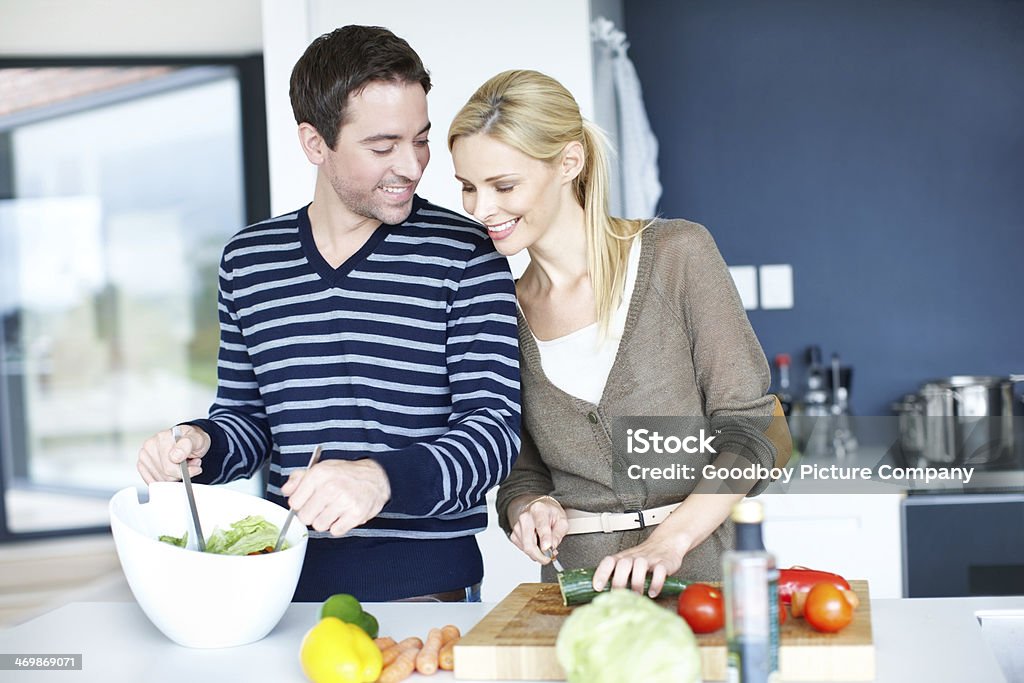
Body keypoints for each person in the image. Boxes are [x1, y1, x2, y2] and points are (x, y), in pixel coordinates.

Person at [136, 26, 520, 603]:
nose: (413, 167)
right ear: (315, 144)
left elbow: (495, 432)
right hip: (281, 581)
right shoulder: (249, 261)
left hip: (426, 586)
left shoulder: (466, 252)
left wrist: (380, 479)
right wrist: (201, 446)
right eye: (382, 146)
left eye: (420, 139)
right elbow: (247, 420)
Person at [448, 69, 790, 597]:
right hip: (578, 598)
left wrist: (669, 541)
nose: (480, 209)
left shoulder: (678, 255)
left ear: (569, 162)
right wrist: (525, 506)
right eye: (468, 187)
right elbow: (521, 467)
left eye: (503, 185)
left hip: (706, 586)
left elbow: (756, 429)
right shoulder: (497, 306)